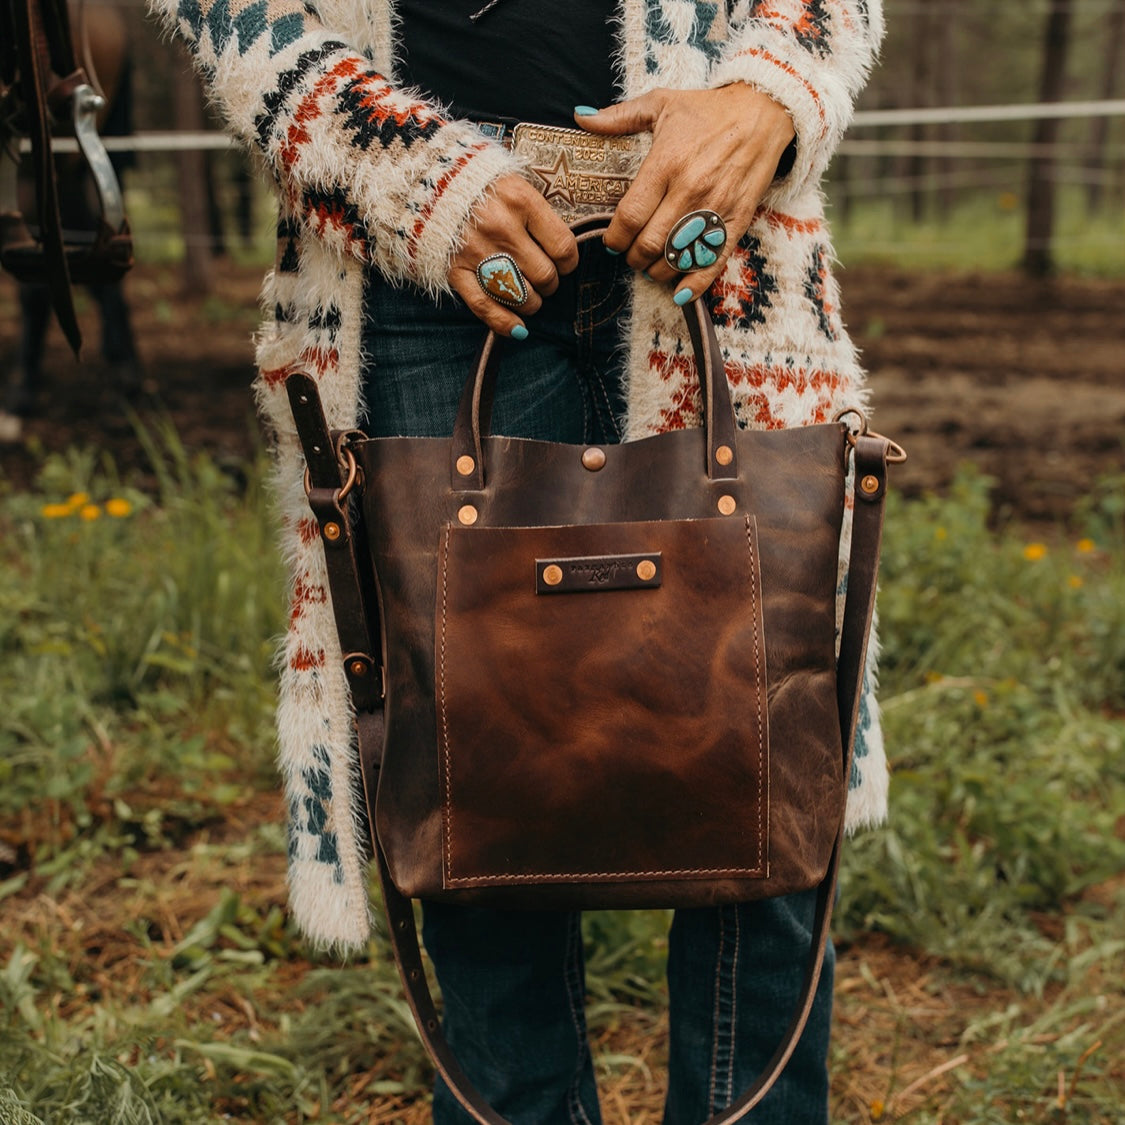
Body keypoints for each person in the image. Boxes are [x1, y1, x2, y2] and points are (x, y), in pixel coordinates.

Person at [152, 0, 888, 1119]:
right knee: (472, 790)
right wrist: (398, 171)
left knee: (765, 754)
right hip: (420, 275)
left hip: (720, 246)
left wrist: (764, 96)